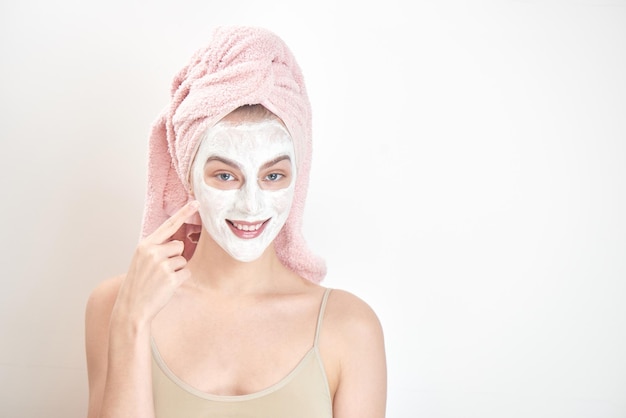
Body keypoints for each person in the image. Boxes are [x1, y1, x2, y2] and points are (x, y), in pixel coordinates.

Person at [84, 25, 387, 418]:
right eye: (225, 176)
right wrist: (132, 321)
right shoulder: (115, 305)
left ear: (300, 175)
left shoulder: (350, 328)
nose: (251, 204)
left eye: (273, 176)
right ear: (186, 173)